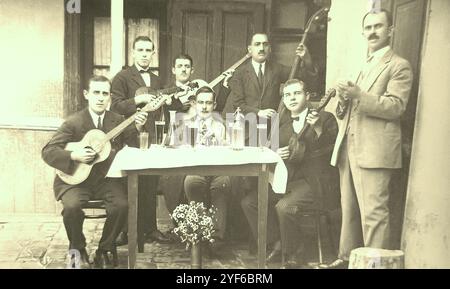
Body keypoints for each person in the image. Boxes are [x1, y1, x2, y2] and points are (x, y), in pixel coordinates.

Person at [324, 9, 413, 269]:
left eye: (378, 26)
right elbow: (348, 110)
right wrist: (343, 98)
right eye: (368, 27)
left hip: (376, 150)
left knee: (374, 214)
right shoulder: (366, 63)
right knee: (349, 210)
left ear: (390, 31)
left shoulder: (399, 65)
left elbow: (396, 107)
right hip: (350, 147)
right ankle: (347, 259)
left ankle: (375, 265)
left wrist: (358, 94)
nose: (372, 32)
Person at [42, 75, 148, 268]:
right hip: (76, 180)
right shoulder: (73, 122)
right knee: (72, 208)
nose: (100, 98)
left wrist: (138, 127)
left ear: (109, 97)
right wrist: (74, 155)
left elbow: (133, 146)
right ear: (86, 95)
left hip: (107, 180)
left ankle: (104, 250)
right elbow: (48, 151)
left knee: (122, 206)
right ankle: (77, 247)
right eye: (96, 93)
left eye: (105, 94)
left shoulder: (118, 120)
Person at [241, 79, 339, 268]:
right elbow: (270, 154)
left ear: (308, 96)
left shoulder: (325, 118)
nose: (292, 98)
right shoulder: (281, 126)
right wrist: (277, 154)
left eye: (297, 93)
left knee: (284, 207)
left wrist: (317, 128)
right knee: (250, 202)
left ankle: (294, 254)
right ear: (284, 100)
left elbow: (334, 150)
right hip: (287, 182)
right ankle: (277, 242)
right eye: (288, 95)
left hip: (315, 183)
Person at [110, 35, 171, 245]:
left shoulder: (156, 80)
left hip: (151, 135)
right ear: (133, 52)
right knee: (130, 183)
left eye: (148, 51)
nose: (145, 54)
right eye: (141, 50)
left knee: (150, 182)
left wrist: (165, 101)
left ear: (153, 54)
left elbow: (160, 110)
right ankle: (126, 231)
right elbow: (115, 107)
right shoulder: (122, 77)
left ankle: (150, 228)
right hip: (129, 137)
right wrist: (139, 99)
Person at [182, 86, 231, 254]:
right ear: (195, 104)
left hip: (217, 169)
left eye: (208, 103)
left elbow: (228, 152)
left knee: (223, 183)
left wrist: (222, 144)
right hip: (195, 169)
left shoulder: (220, 126)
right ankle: (196, 235)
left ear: (214, 105)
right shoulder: (187, 125)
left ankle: (216, 238)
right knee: (192, 182)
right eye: (201, 102)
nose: (204, 107)